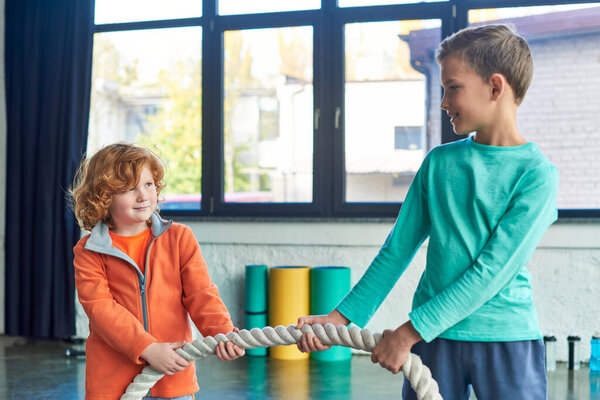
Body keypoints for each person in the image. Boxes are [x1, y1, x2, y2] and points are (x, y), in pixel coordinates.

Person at [297, 24, 558, 400]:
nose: (443, 102)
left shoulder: (537, 175)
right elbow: (396, 250)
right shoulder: (439, 163)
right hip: (435, 339)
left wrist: (406, 333)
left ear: (495, 87)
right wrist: (340, 320)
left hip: (505, 338)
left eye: (453, 88)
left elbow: (490, 273)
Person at [70, 143, 245, 400]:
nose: (143, 196)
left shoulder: (180, 238)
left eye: (149, 184)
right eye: (129, 188)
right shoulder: (88, 251)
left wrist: (221, 331)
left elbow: (201, 293)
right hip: (112, 382)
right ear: (103, 196)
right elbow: (101, 309)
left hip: (173, 376)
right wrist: (147, 348)